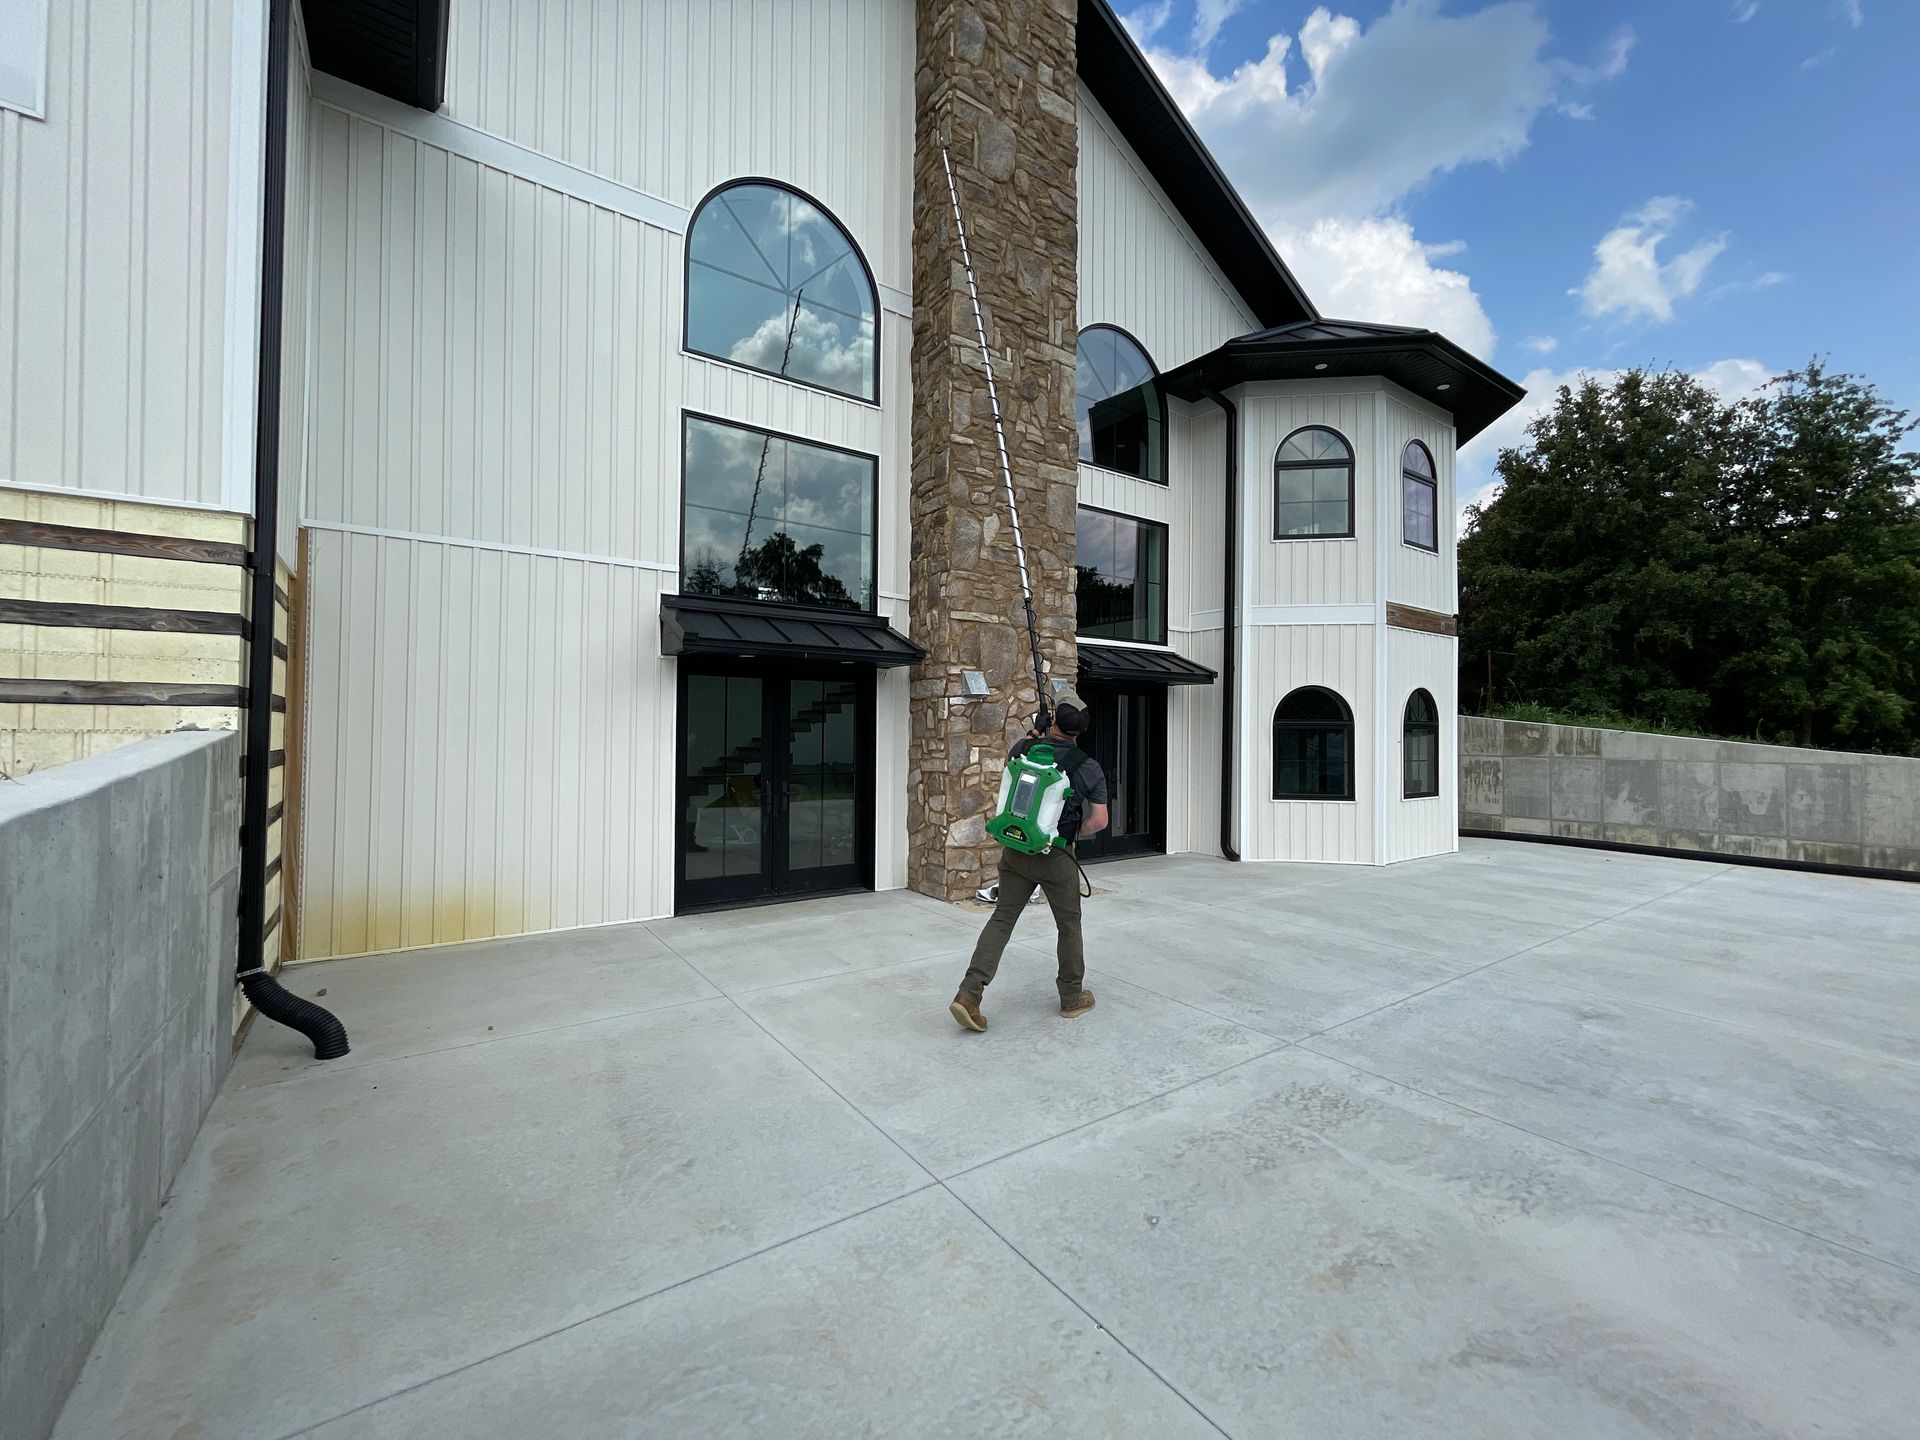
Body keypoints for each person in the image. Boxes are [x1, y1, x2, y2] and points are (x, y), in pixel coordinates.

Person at [949, 688, 1108, 1031]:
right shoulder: (1088, 767)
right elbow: (1099, 822)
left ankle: (968, 994)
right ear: (1081, 730)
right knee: (1068, 925)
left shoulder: (1022, 749)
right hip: (1058, 855)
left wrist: (1035, 732)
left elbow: (1016, 775)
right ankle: (1071, 998)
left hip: (1017, 851)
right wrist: (1060, 829)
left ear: (1052, 720)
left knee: (1002, 919)